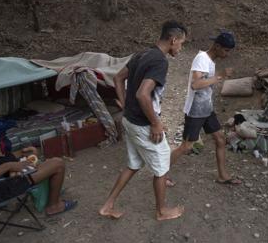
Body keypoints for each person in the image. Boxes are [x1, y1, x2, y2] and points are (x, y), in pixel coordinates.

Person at [99, 20, 187, 221]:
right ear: (173, 40)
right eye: (181, 43)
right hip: (142, 125)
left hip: (130, 120)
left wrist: (125, 105)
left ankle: (108, 205)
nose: (181, 48)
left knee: (133, 164)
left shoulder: (141, 54)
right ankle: (161, 211)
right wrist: (155, 123)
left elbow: (118, 79)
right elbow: (142, 94)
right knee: (162, 166)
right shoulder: (159, 61)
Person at [170, 31, 239, 185]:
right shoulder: (202, 59)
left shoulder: (210, 61)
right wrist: (219, 76)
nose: (227, 54)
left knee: (220, 139)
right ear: (217, 46)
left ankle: (222, 175)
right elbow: (196, 85)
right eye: (226, 50)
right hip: (196, 110)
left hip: (206, 109)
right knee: (186, 146)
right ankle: (161, 174)